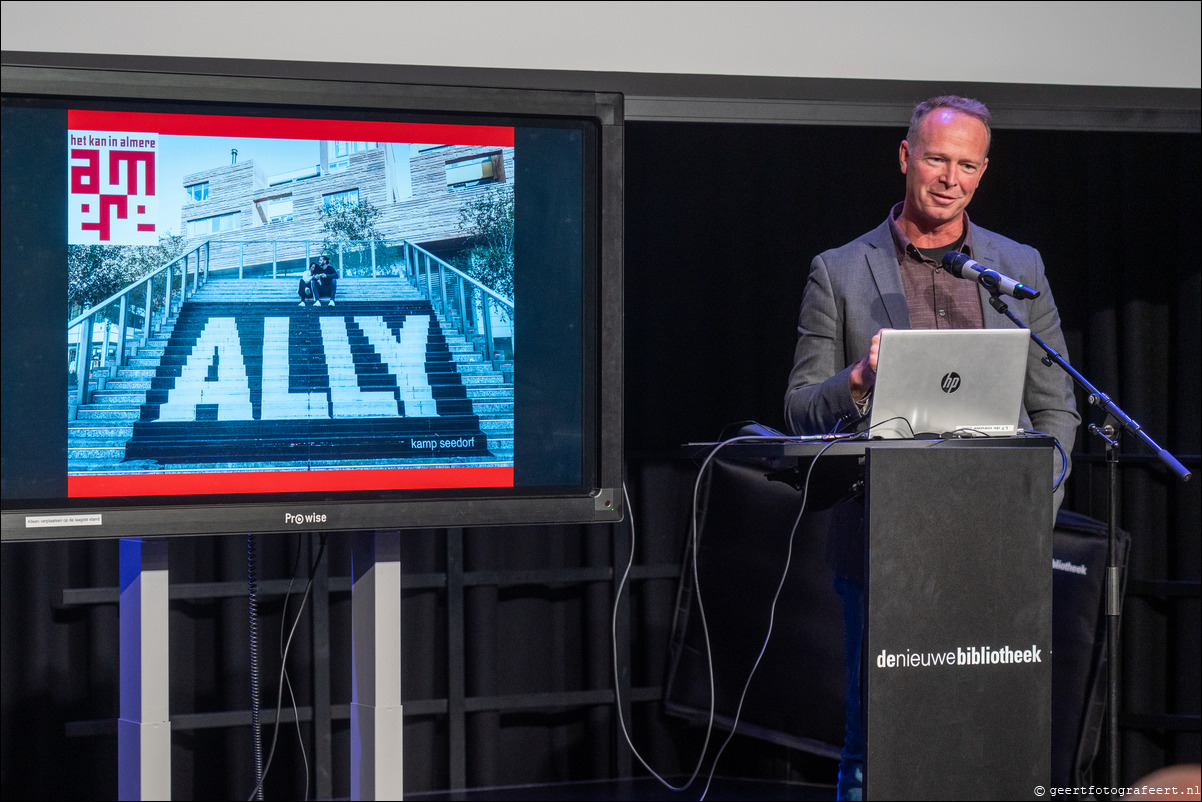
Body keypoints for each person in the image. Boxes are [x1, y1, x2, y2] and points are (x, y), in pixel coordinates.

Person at [782, 95, 1080, 800]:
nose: (951, 178)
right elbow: (798, 409)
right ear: (906, 156)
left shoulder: (1016, 266)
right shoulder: (840, 270)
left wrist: (1034, 513)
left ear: (983, 170)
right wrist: (859, 377)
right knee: (877, 738)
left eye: (968, 165)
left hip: (995, 542)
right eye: (939, 159)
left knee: (989, 728)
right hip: (883, 540)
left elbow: (1055, 405)